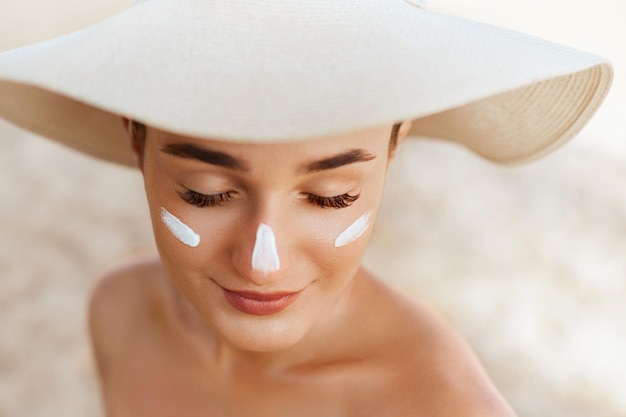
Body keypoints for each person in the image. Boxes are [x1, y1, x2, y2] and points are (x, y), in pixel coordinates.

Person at [0, 0, 612, 415]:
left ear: (397, 141)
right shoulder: (121, 310)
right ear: (135, 138)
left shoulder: (437, 406)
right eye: (207, 191)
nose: (262, 262)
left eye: (330, 197)